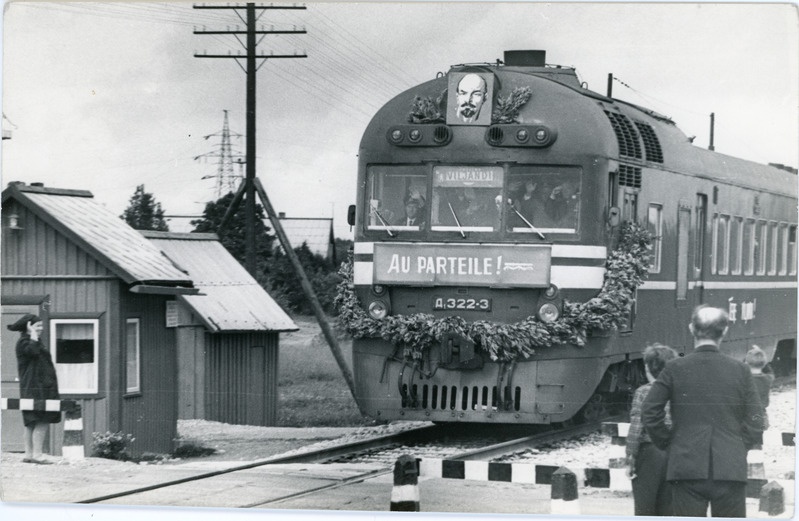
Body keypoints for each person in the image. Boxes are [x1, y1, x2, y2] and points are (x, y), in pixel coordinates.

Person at [642, 305, 763, 517]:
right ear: (724, 331)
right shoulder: (741, 370)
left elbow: (650, 412)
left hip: (686, 466)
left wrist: (670, 444)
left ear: (691, 328)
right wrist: (739, 445)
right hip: (730, 467)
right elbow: (756, 418)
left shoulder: (674, 368)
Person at [626, 343, 677, 516]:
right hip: (674, 453)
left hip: (649, 453)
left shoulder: (643, 392)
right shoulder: (679, 391)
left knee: (645, 506)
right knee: (668, 506)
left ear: (647, 368)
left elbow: (636, 427)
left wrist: (631, 457)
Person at [8, 313, 62, 464]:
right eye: (38, 326)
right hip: (36, 387)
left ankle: (29, 454)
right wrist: (33, 335)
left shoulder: (32, 341)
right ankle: (36, 454)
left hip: (38, 386)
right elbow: (32, 352)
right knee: (40, 419)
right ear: (28, 327)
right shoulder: (25, 342)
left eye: (41, 326)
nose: (41, 329)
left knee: (32, 420)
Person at [745, 345, 774, 446]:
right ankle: (757, 459)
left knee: (744, 442)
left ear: (746, 363)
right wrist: (760, 351)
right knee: (757, 442)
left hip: (745, 416)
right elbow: (770, 371)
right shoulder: (768, 379)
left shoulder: (744, 380)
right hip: (760, 416)